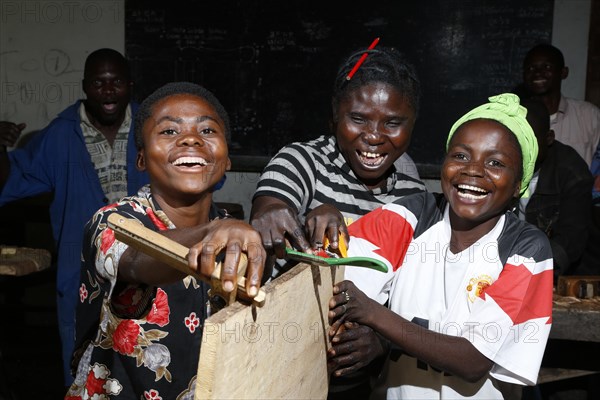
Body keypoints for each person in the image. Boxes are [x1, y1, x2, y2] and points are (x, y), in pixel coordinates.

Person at [330, 93, 554, 399]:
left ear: (518, 185)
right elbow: (340, 276)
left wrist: (377, 320)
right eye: (460, 155)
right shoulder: (412, 215)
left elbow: (473, 359)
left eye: (496, 163)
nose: (473, 170)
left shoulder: (527, 249)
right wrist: (325, 221)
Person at [65, 82, 266, 398]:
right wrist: (209, 233)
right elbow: (134, 259)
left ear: (227, 159)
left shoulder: (236, 236)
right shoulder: (111, 222)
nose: (190, 139)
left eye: (208, 131)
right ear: (141, 159)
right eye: (169, 132)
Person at [250, 45, 426, 398]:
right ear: (334, 116)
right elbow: (269, 216)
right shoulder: (304, 160)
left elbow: (414, 293)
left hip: (356, 383)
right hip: (278, 372)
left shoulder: (413, 194)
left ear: (412, 124)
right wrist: (291, 217)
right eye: (358, 119)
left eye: (393, 122)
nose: (374, 136)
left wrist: (381, 340)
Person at [0, 48, 149, 385]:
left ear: (130, 85)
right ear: (85, 86)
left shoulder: (151, 127)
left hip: (147, 275)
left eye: (116, 82)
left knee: (144, 372)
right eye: (99, 83)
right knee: (83, 375)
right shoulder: (60, 134)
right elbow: (12, 181)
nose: (108, 91)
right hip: (82, 276)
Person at [518, 98, 599, 277]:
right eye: (515, 138)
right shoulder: (501, 164)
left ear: (549, 138)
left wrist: (527, 272)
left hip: (567, 276)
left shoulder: (572, 171)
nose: (522, 147)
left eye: (529, 139)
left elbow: (570, 241)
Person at [522, 43, 600, 168]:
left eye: (546, 67)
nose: (537, 73)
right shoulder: (515, 117)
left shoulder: (589, 115)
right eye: (531, 68)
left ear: (563, 72)